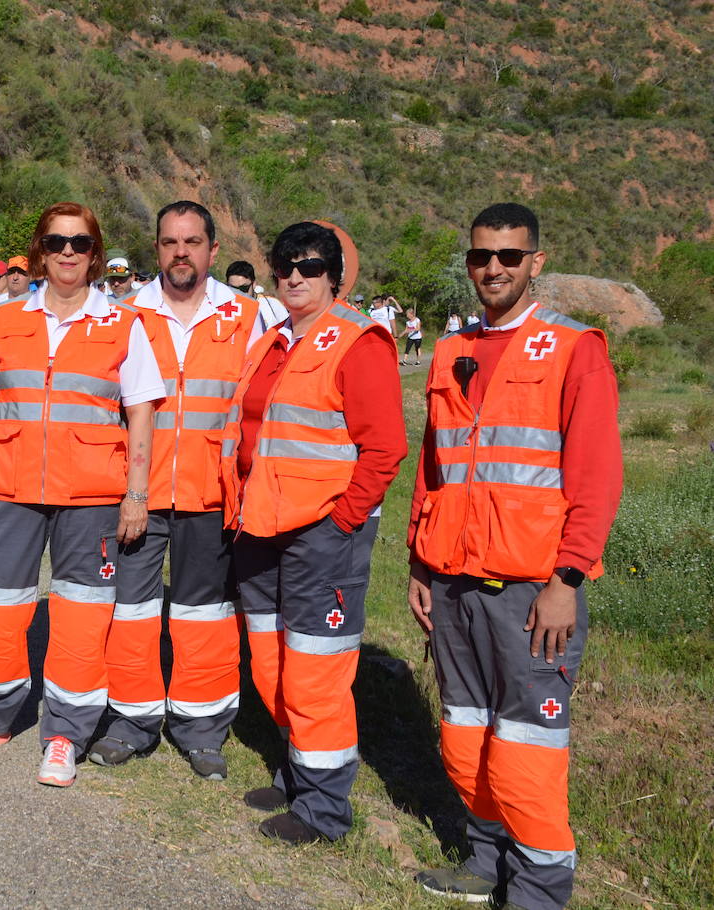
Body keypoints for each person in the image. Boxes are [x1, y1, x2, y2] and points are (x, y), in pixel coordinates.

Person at [406, 203, 621, 910]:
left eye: (508, 255)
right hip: (455, 581)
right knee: (465, 738)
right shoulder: (450, 350)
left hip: (532, 589)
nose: (491, 268)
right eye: (479, 256)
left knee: (527, 750)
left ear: (535, 262)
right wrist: (419, 562)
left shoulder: (571, 346)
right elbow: (436, 469)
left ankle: (537, 890)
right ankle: (484, 859)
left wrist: (568, 578)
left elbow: (595, 474)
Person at [0, 202, 164, 789]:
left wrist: (137, 493)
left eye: (80, 244)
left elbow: (140, 417)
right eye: (56, 242)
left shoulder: (125, 325)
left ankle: (65, 733)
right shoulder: (6, 316)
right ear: (39, 249)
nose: (67, 252)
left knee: (82, 615)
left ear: (93, 253)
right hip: (11, 486)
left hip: (91, 495)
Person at [224, 221, 406, 844]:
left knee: (315, 674)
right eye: (285, 266)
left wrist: (343, 521)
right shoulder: (274, 340)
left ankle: (324, 809)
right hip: (262, 527)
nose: (295, 276)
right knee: (272, 663)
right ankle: (295, 771)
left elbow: (384, 449)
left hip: (321, 534)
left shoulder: (359, 341)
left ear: (335, 274)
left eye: (310, 266)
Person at [90, 201, 266, 782]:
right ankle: (131, 721)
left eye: (192, 242)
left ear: (213, 250)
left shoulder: (247, 315)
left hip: (212, 495)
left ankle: (200, 726)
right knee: (133, 611)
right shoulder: (126, 313)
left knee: (205, 615)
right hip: (136, 492)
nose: (181, 252)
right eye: (169, 243)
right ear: (156, 250)